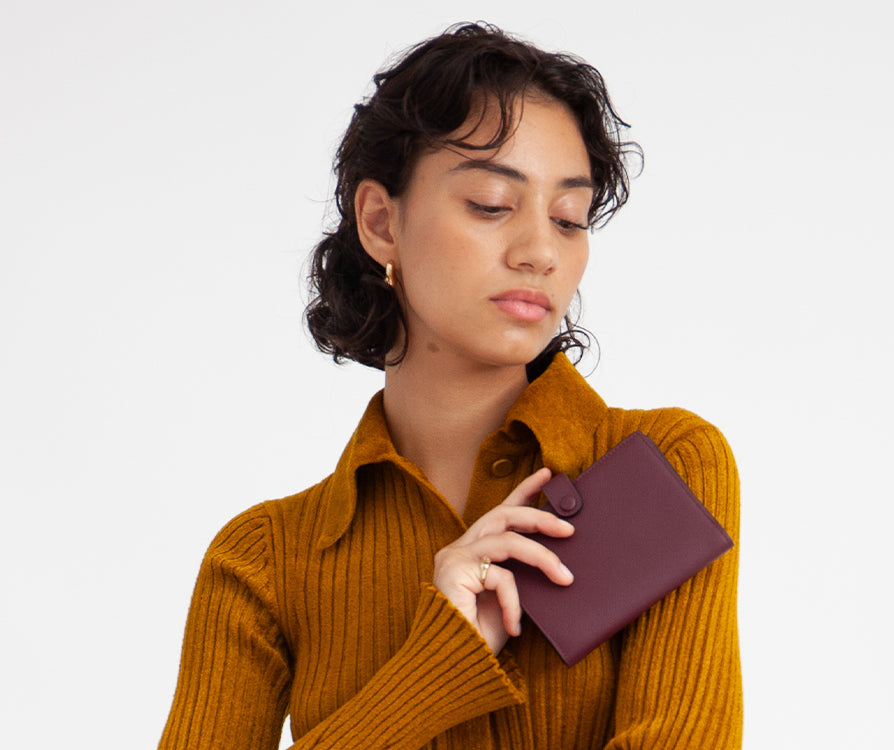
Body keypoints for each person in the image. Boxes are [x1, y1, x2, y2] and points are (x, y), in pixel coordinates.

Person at [159, 22, 741, 750]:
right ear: (380, 222)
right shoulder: (264, 562)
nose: (540, 252)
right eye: (493, 204)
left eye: (569, 218)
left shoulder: (662, 467)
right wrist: (437, 665)